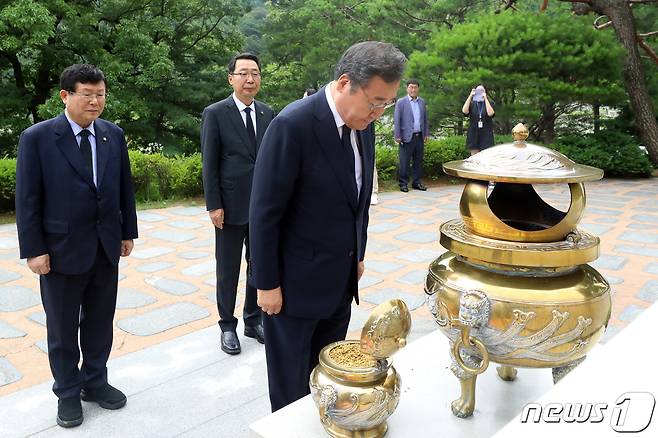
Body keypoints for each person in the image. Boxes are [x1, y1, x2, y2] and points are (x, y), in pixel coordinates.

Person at [249, 41, 406, 412]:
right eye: (376, 102)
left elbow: (359, 201)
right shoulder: (293, 124)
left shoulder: (362, 125)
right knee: (291, 388)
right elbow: (264, 213)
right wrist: (266, 284)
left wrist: (359, 253)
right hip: (292, 289)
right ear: (344, 83)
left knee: (327, 377)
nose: (379, 113)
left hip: (338, 281)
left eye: (387, 104)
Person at [15, 64, 138, 428]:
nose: (95, 101)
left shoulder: (112, 135)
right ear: (65, 95)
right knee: (63, 327)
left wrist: (126, 232)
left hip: (104, 246)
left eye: (100, 94)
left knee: (100, 321)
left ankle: (95, 381)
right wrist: (34, 249)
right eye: (87, 94)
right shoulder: (38, 137)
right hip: (60, 250)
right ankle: (68, 391)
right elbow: (28, 199)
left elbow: (122, 188)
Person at [201, 53, 275, 355]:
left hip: (262, 207)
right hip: (229, 207)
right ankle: (227, 325)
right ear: (231, 77)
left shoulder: (268, 113)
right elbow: (210, 163)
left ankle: (252, 319)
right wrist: (214, 204)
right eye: (243, 73)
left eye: (255, 73)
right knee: (228, 269)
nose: (250, 79)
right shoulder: (216, 113)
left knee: (258, 266)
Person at [394, 78, 429, 192]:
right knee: (404, 162)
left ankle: (416, 182)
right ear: (407, 88)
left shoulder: (422, 102)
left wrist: (426, 134)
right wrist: (397, 136)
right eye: (411, 87)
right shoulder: (401, 102)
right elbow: (397, 120)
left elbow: (425, 120)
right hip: (406, 137)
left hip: (419, 136)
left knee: (418, 161)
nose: (413, 89)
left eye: (415, 87)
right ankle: (403, 184)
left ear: (418, 89)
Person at [462, 84, 495, 155]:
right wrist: (470, 96)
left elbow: (491, 113)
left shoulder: (489, 103)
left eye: (482, 91)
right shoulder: (471, 103)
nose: (480, 93)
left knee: (486, 155)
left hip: (486, 133)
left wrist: (485, 98)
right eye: (478, 91)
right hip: (474, 132)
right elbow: (465, 111)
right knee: (474, 157)